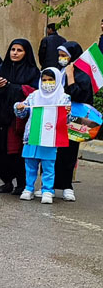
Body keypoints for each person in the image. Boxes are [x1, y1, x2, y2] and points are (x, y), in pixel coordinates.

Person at [0, 39, 39, 194]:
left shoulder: (32, 72)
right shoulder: (1, 69)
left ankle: (22, 183)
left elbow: (35, 92)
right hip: (0, 116)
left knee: (17, 151)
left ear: (26, 53)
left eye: (19, 50)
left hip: (19, 119)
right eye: (13, 49)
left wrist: (12, 88)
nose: (15, 53)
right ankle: (7, 181)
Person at [14, 68, 71, 204]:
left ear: (57, 80)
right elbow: (22, 113)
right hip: (32, 135)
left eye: (51, 80)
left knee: (48, 166)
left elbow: (67, 121)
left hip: (50, 137)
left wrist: (68, 113)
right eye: (44, 80)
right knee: (30, 164)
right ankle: (29, 188)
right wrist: (18, 107)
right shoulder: (34, 96)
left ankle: (47, 190)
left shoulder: (63, 98)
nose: (47, 83)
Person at [56, 41, 93, 201]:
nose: (61, 58)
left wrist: (71, 76)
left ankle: (66, 186)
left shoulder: (82, 77)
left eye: (64, 55)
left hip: (73, 121)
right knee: (51, 152)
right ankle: (48, 184)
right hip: (56, 118)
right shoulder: (57, 73)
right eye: (60, 55)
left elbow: (80, 96)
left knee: (69, 153)